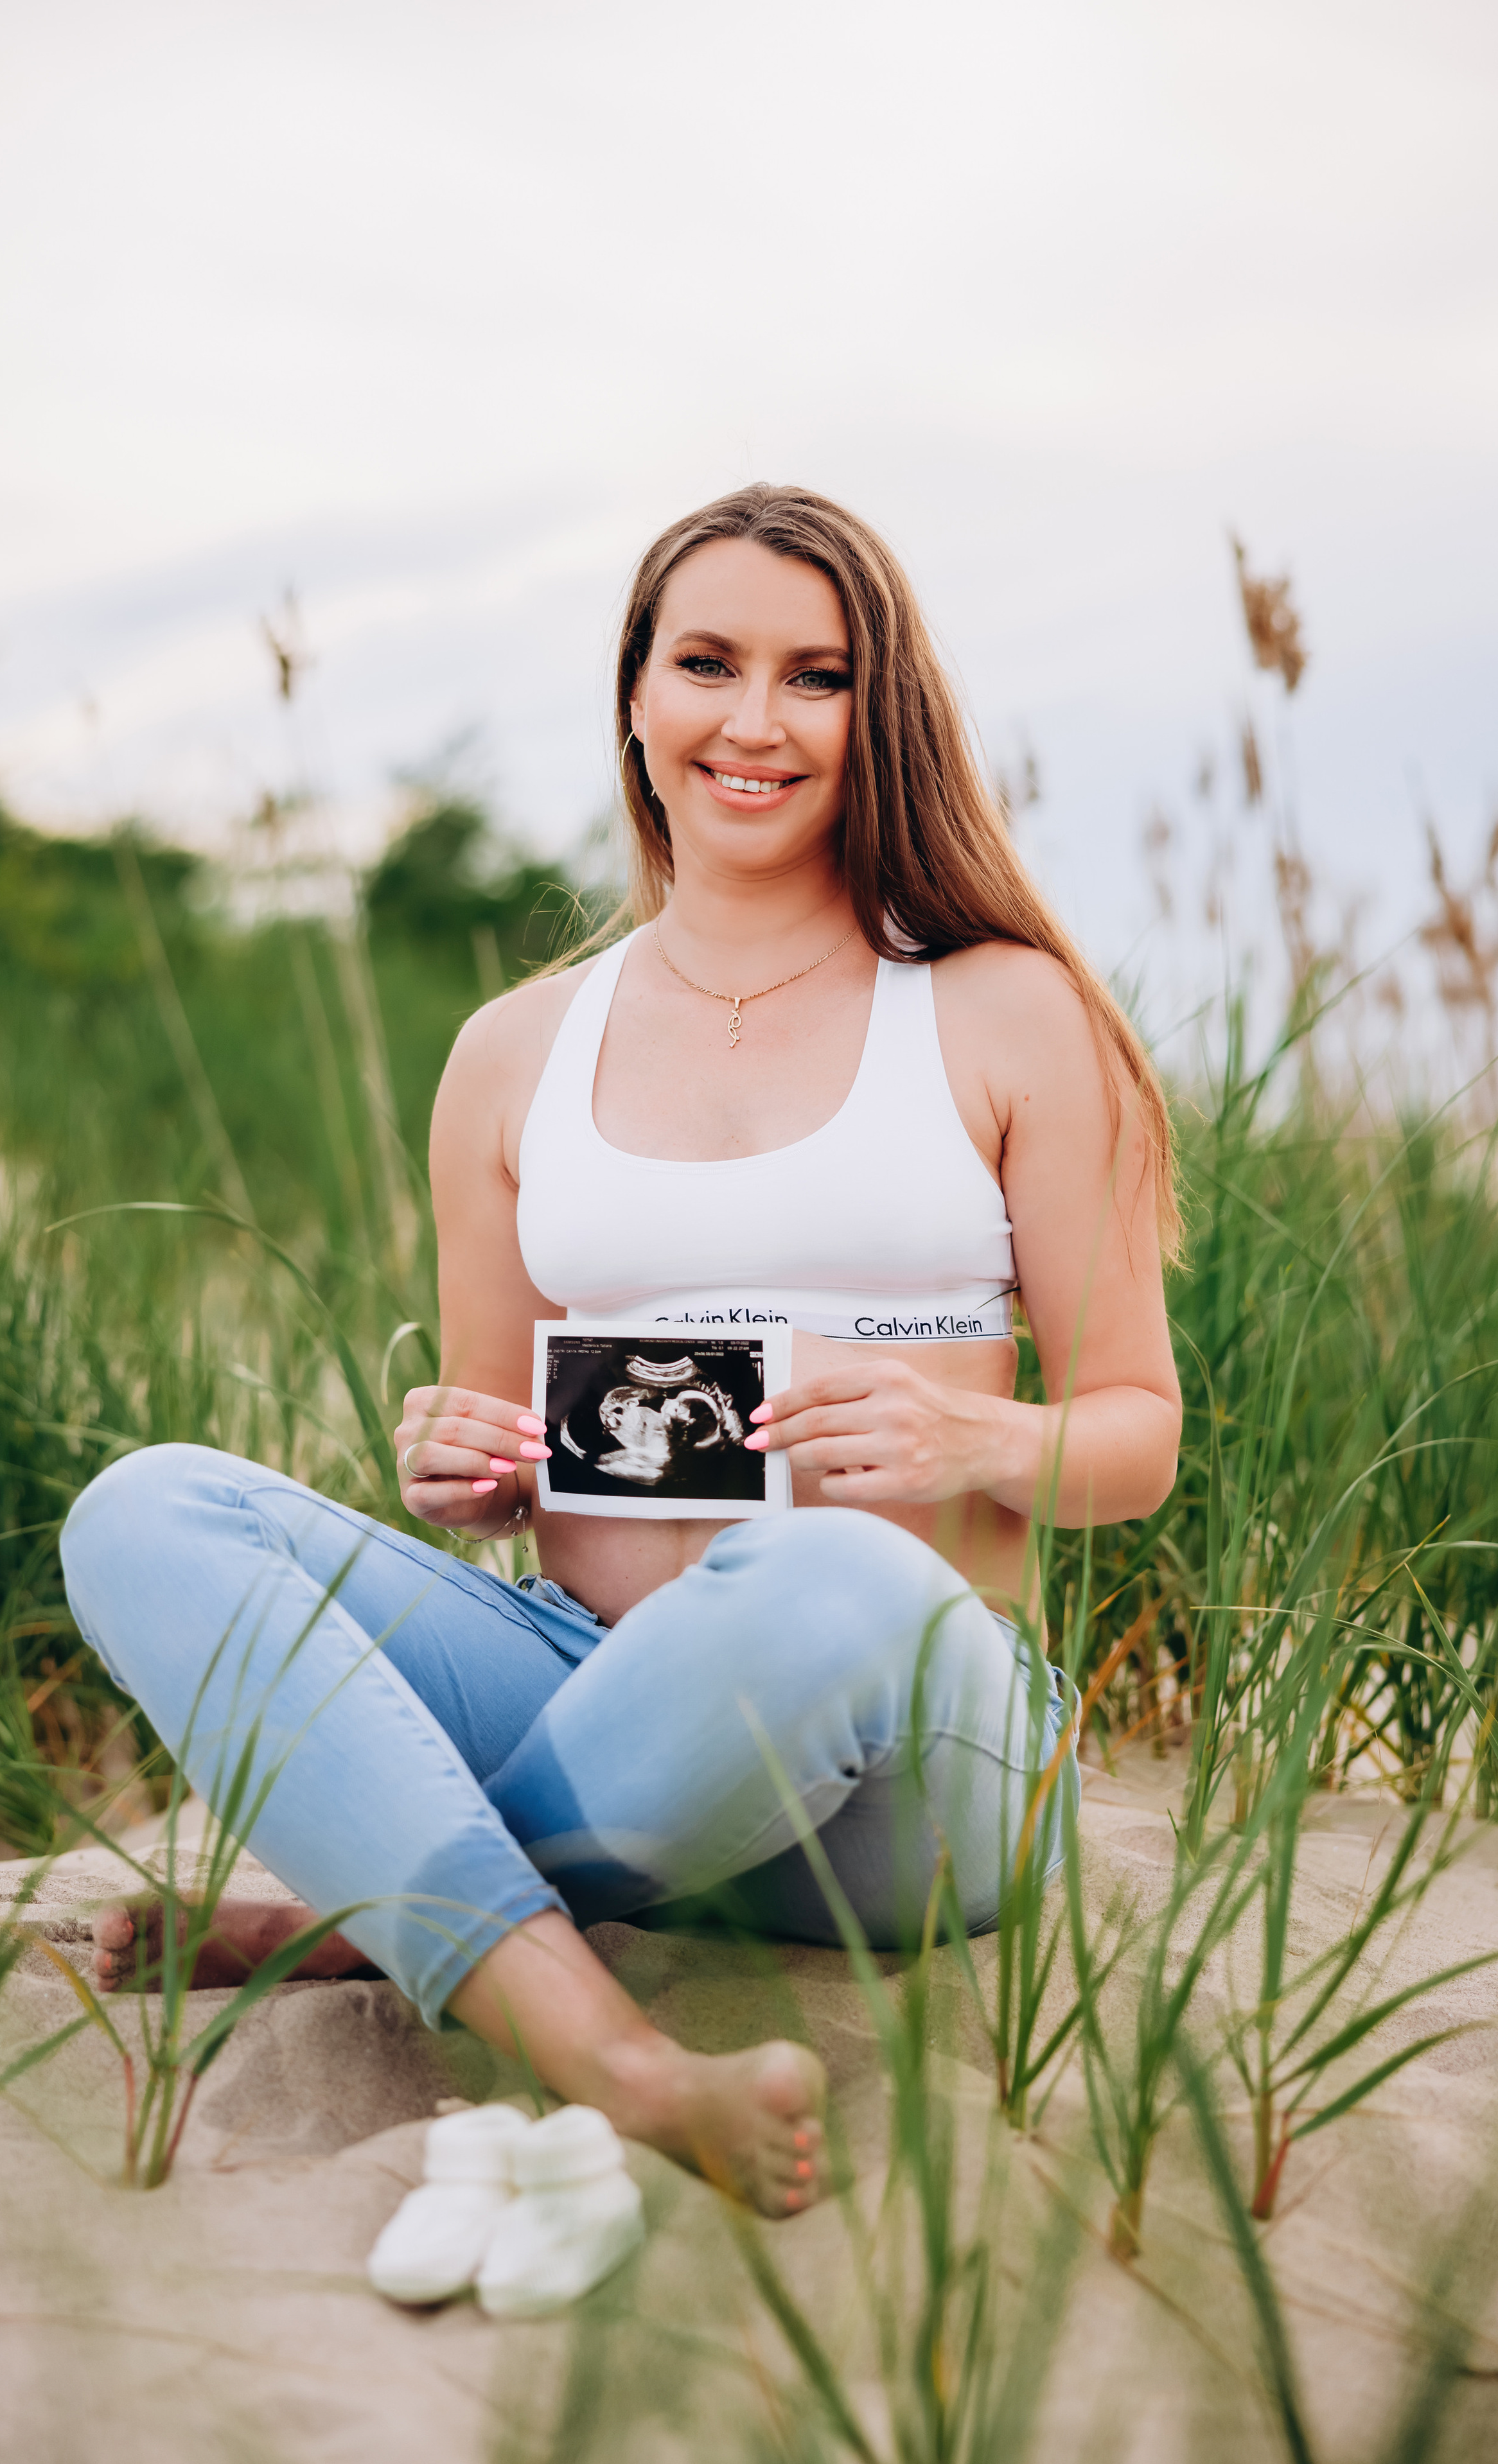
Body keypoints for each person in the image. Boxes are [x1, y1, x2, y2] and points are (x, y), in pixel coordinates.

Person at [60, 484, 1182, 2219]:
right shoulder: (511, 1054)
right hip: (588, 1681)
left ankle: (392, 1902)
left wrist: (975, 1448)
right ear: (638, 701)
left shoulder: (1000, 1008)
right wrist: (467, 1475)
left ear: (877, 714)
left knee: (828, 1579)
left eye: (815, 676)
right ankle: (619, 2054)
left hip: (912, 1761)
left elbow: (1138, 1433)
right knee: (147, 1509)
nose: (754, 721)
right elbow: (495, 1470)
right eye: (708, 664)